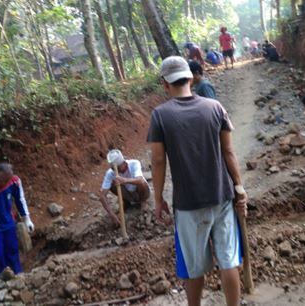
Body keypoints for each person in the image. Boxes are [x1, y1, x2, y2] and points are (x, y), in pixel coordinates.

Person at [147, 56, 248, 306]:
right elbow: (229, 153)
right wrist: (239, 187)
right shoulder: (215, 107)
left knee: (193, 267)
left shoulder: (160, 115)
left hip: (188, 204)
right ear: (191, 78)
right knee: (228, 260)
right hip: (222, 196)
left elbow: (158, 161)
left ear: (164, 84)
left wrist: (158, 199)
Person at [99, 149, 150, 219]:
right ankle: (126, 202)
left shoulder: (134, 163)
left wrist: (124, 180)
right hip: (128, 194)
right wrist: (111, 214)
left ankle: (143, 201)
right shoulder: (110, 173)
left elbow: (140, 180)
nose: (116, 170)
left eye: (118, 168)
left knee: (141, 183)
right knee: (112, 184)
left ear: (124, 163)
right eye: (113, 169)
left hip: (140, 192)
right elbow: (102, 196)